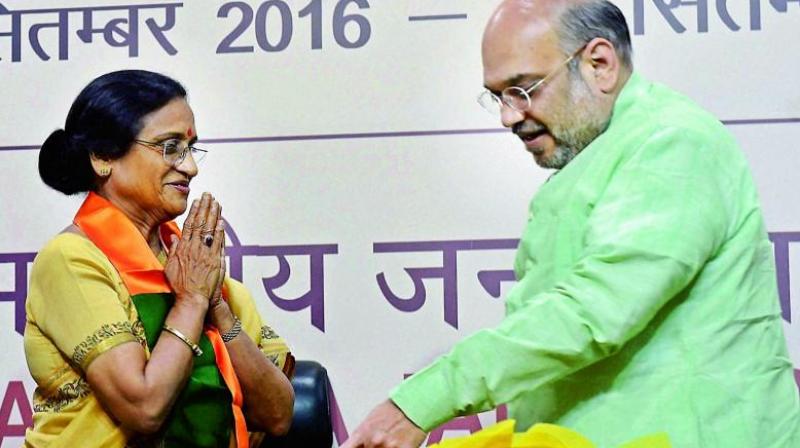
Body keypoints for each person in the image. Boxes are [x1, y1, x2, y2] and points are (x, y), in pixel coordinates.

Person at [343, 1, 800, 447]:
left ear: (600, 63)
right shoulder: (598, 156)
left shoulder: (674, 143)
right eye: (498, 96)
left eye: (523, 89)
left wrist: (427, 398)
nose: (508, 116)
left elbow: (593, 312)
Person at [24, 70, 295, 447]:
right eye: (170, 147)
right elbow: (145, 407)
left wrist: (216, 306)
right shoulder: (71, 259)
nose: (191, 167)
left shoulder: (197, 267)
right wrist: (192, 302)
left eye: (190, 148)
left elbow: (278, 417)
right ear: (103, 156)